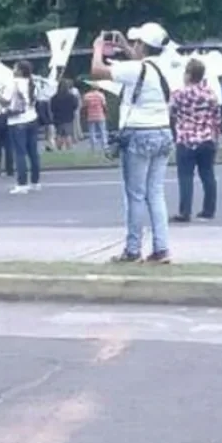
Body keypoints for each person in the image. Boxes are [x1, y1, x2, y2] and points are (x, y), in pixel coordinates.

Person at [91, 22, 174, 263]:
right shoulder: (165, 66)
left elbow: (97, 71)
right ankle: (161, 248)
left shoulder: (137, 69)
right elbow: (142, 64)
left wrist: (98, 48)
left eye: (136, 43)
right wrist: (126, 47)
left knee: (135, 195)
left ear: (142, 45)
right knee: (155, 193)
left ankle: (133, 249)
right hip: (163, 131)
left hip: (139, 133)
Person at [170, 58, 221, 223]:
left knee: (185, 176)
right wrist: (215, 137)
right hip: (206, 138)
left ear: (189, 74)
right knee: (208, 174)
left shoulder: (178, 94)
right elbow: (217, 118)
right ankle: (209, 209)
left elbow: (171, 112)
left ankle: (185, 211)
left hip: (186, 138)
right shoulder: (210, 94)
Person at [0, 60, 41, 195]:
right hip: (32, 118)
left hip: (17, 121)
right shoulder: (33, 84)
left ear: (20, 71)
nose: (13, 70)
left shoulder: (13, 83)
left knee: (20, 153)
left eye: (14, 68)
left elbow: (6, 101)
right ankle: (35, 182)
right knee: (33, 152)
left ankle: (22, 184)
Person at [50, 79, 79, 150]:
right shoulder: (71, 96)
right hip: (68, 117)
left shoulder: (54, 97)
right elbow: (75, 106)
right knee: (68, 134)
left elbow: (52, 108)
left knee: (59, 134)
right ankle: (69, 148)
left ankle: (59, 148)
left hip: (58, 118)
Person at [82, 87, 108, 151]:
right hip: (100, 115)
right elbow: (104, 105)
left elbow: (85, 106)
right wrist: (106, 112)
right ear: (98, 88)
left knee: (92, 131)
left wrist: (84, 115)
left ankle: (93, 145)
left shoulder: (87, 96)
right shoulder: (101, 95)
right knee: (102, 130)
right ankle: (104, 145)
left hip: (91, 115)